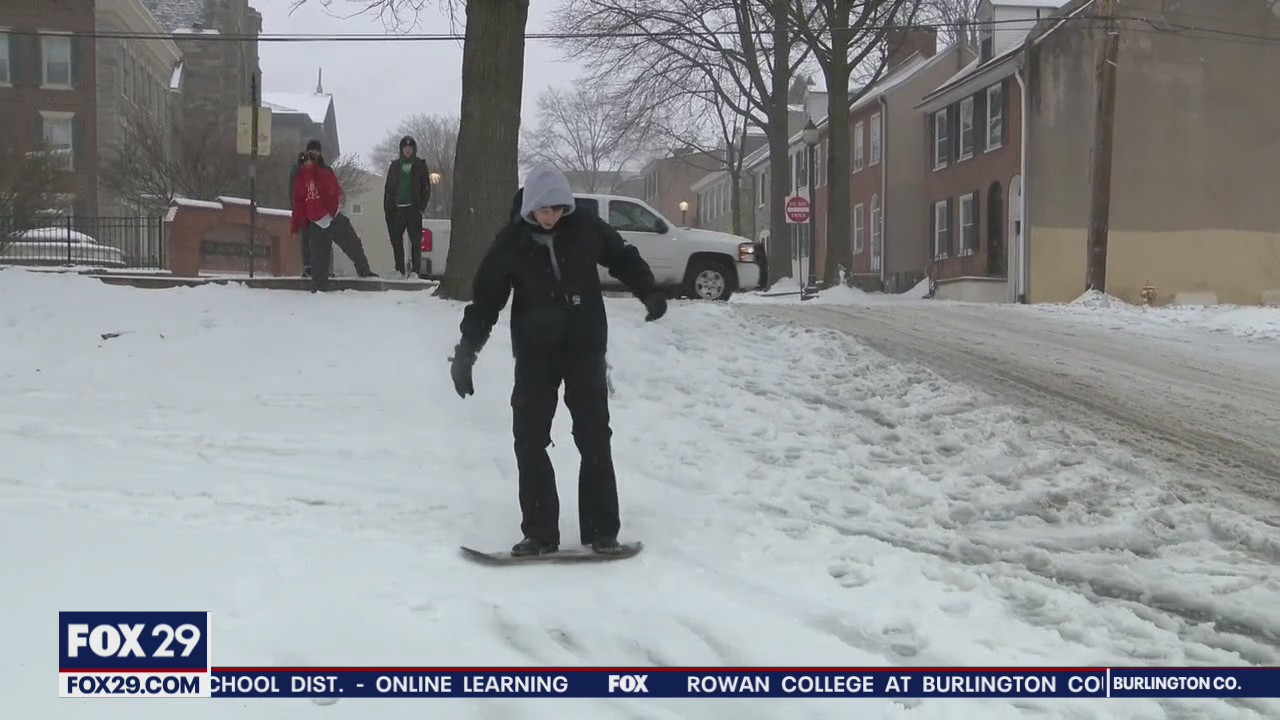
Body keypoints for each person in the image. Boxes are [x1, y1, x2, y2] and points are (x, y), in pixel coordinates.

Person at [449, 164, 667, 557]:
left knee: (594, 435)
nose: (550, 217)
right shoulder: (512, 241)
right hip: (535, 353)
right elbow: (486, 301)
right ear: (530, 208)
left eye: (557, 209)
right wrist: (466, 353)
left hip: (585, 347)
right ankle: (539, 533)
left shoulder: (586, 227)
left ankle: (602, 530)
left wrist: (648, 292)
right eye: (542, 210)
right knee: (529, 438)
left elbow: (622, 257)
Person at [383, 135, 431, 277]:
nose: (408, 150)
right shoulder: (395, 166)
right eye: (405, 147)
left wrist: (421, 206)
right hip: (397, 209)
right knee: (396, 240)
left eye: (410, 147)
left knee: (415, 241)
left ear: (414, 149)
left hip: (413, 208)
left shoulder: (419, 165)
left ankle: (415, 270)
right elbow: (388, 188)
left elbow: (426, 187)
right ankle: (399, 269)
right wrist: (388, 208)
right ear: (401, 149)